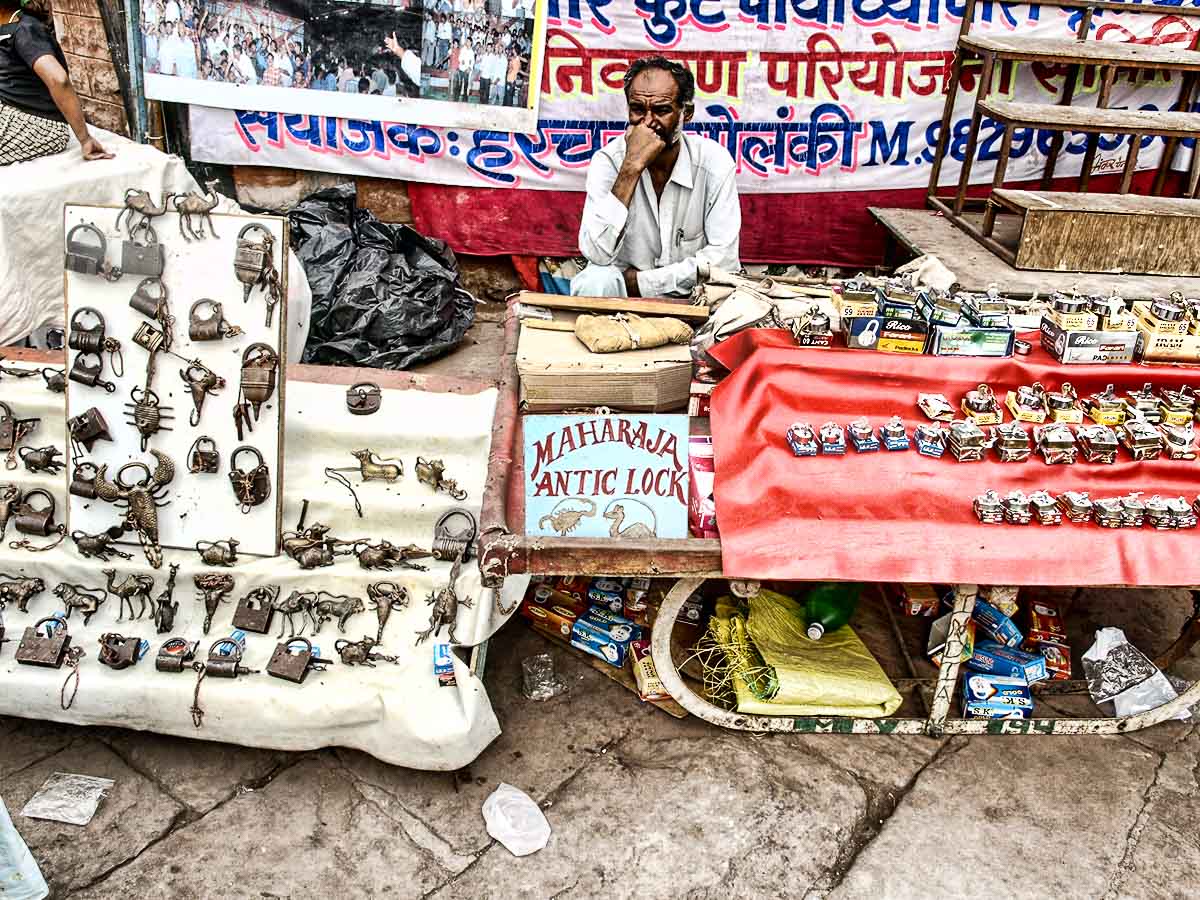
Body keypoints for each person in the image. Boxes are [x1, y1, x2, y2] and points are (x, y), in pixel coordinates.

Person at [572, 56, 740, 298]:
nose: (648, 123)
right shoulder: (609, 161)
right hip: (624, 301)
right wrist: (630, 168)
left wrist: (643, 284)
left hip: (695, 297)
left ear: (687, 113)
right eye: (638, 109)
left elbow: (724, 261)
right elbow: (596, 254)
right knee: (594, 281)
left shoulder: (714, 162)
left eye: (662, 110)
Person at [0, 0, 112, 166]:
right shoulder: (6, 27)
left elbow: (59, 80)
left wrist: (85, 139)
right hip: (11, 110)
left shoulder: (26, 30)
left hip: (39, 125)